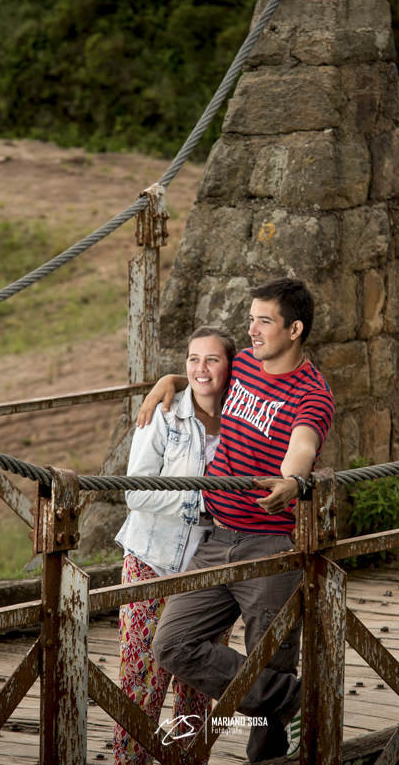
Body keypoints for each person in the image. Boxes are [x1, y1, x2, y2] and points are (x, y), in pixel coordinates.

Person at [137, 278, 335, 762]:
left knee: (272, 659)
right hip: (216, 538)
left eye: (264, 321)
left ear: (294, 329)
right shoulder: (245, 363)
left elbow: (303, 444)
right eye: (250, 319)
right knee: (173, 644)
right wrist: (172, 380)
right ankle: (297, 700)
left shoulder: (313, 394)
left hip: (271, 547)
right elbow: (205, 378)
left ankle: (270, 749)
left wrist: (293, 480)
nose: (252, 330)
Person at [113, 326, 236, 765]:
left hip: (209, 569)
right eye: (192, 359)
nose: (201, 368)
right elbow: (136, 493)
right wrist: (204, 497)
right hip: (151, 562)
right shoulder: (164, 414)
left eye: (212, 359)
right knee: (140, 686)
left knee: (196, 688)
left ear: (230, 366)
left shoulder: (241, 419)